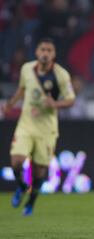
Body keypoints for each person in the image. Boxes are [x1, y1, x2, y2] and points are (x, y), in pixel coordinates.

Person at [2, 38, 75, 216]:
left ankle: (31, 203)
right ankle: (21, 187)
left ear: (54, 54)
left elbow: (71, 99)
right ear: (36, 52)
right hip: (26, 124)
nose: (45, 53)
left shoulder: (61, 75)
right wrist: (11, 104)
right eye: (42, 49)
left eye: (49, 50)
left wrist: (54, 104)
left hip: (47, 129)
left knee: (39, 170)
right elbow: (22, 88)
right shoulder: (27, 69)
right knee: (17, 162)